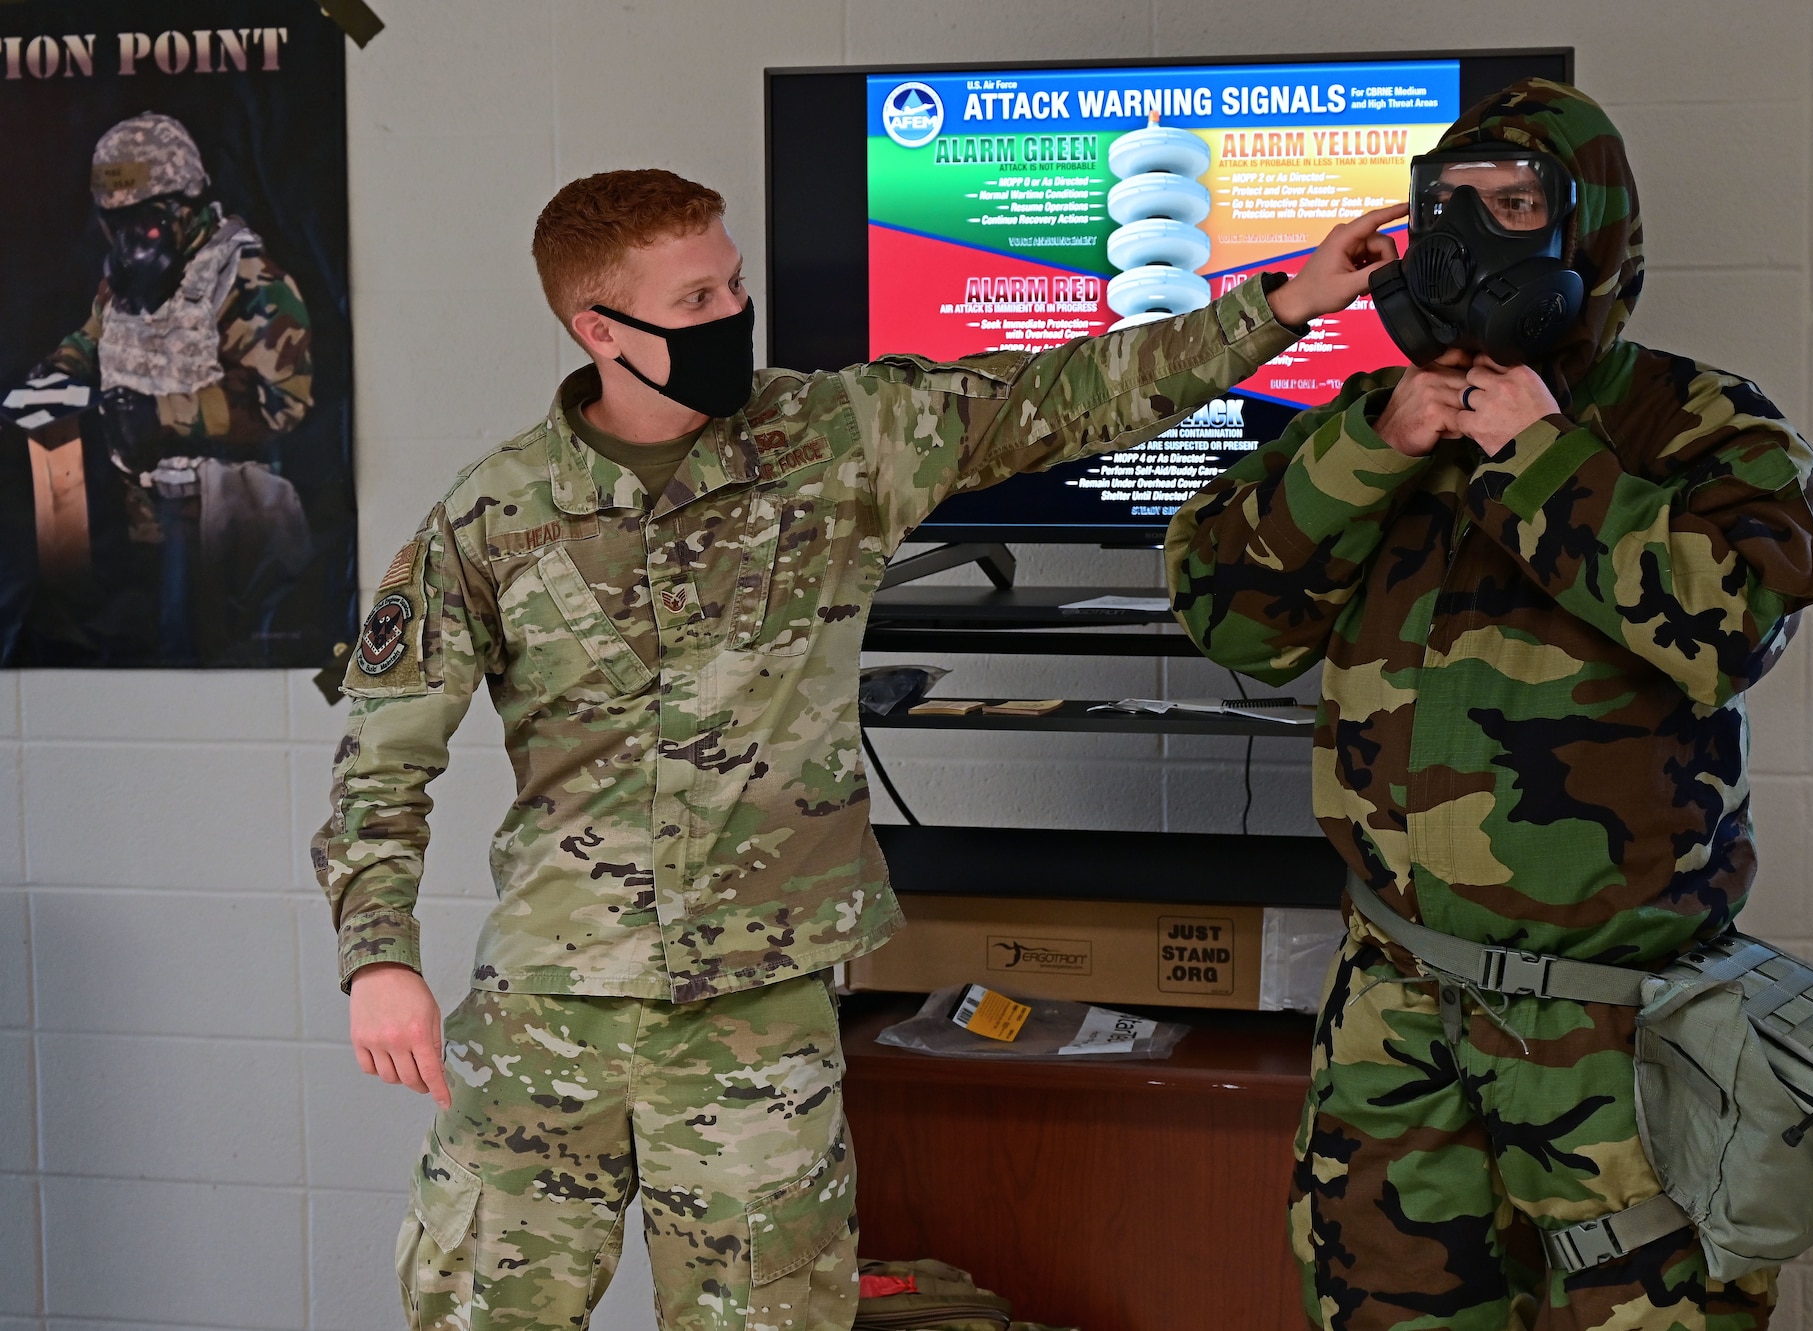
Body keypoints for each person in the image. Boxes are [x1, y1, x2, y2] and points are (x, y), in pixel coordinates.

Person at [312, 166, 1406, 1330]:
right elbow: (383, 753)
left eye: (734, 285)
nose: (733, 315)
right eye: (695, 302)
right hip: (549, 1004)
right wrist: (378, 957)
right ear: (598, 329)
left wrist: (1282, 306)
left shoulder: (837, 435)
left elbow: (1069, 391)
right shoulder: (493, 512)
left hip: (760, 1013)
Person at [1164, 80, 1813, 1331]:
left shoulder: (1699, 423)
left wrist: (1540, 456)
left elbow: (1729, 625)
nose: (1471, 240)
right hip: (1395, 1003)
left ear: (1589, 235)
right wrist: (1371, 448)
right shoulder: (1380, 428)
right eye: (1447, 208)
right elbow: (1229, 619)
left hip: (1611, 1028)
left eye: (1514, 205)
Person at [33, 111, 315, 664]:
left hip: (222, 526)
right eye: (115, 223)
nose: (133, 241)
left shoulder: (249, 280)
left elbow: (284, 399)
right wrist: (61, 369)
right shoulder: (122, 277)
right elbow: (96, 335)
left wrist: (166, 414)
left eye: (148, 221)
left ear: (186, 205)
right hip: (139, 524)